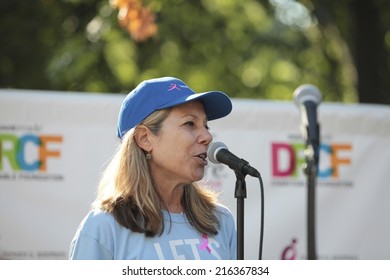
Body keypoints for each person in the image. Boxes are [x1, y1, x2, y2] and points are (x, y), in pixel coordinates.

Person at [69, 76, 237, 260]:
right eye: (190, 123)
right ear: (145, 139)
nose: (207, 136)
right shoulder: (103, 228)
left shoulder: (221, 220)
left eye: (206, 125)